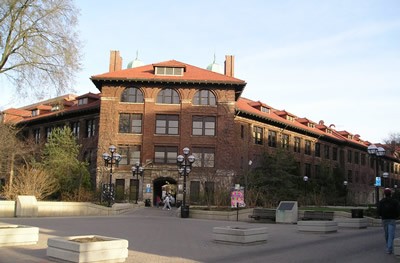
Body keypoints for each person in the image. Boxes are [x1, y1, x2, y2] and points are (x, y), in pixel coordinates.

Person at [377, 188, 400, 254]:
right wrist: (397, 216)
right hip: (392, 219)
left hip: (384, 219)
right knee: (391, 234)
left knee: (387, 234)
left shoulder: (381, 201)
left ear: (384, 194)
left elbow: (379, 210)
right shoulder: (395, 201)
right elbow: (398, 210)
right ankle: (389, 248)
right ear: (391, 194)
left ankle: (388, 246)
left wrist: (380, 215)